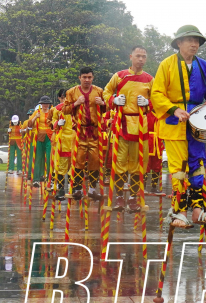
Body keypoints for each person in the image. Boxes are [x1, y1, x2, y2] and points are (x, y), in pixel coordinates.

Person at [150, 25, 206, 228]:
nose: (194, 44)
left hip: (198, 122)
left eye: (197, 41)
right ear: (179, 43)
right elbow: (157, 93)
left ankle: (198, 209)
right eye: (189, 40)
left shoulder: (204, 66)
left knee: (198, 166)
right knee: (179, 168)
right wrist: (173, 109)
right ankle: (177, 211)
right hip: (173, 123)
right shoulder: (167, 64)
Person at [103, 46, 154, 211]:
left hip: (141, 126)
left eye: (144, 57)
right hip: (121, 124)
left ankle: (133, 198)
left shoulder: (149, 79)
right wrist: (114, 100)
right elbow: (106, 92)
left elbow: (157, 100)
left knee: (139, 163)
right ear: (131, 56)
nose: (141, 59)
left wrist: (148, 103)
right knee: (120, 162)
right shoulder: (119, 76)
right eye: (138, 56)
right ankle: (119, 197)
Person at [62, 67, 107, 201]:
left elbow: (107, 108)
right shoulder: (71, 92)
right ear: (79, 78)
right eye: (84, 77)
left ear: (93, 78)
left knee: (95, 160)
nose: (87, 80)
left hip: (94, 131)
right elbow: (64, 110)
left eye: (89, 77)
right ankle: (77, 189)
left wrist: (103, 103)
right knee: (78, 160)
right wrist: (76, 103)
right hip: (79, 131)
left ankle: (92, 189)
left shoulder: (99, 91)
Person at [50, 90, 74, 200]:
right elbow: (52, 122)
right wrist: (57, 124)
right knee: (60, 166)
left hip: (74, 138)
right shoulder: (57, 109)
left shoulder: (75, 107)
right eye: (63, 97)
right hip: (62, 139)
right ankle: (60, 189)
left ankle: (72, 188)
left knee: (74, 165)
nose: (65, 99)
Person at [27, 96, 54, 187]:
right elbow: (30, 124)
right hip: (39, 136)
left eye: (47, 103)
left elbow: (55, 122)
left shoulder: (52, 111)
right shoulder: (37, 112)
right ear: (41, 104)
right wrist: (35, 117)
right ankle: (36, 179)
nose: (45, 105)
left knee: (50, 157)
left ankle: (50, 178)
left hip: (49, 136)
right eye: (43, 103)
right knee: (38, 157)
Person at [146, 108, 165, 194]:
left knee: (157, 166)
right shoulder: (147, 115)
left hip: (158, 143)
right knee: (146, 165)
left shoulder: (162, 116)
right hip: (148, 142)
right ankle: (143, 186)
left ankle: (154, 186)